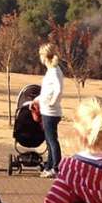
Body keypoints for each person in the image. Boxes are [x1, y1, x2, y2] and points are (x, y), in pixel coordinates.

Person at [35, 43, 64, 178]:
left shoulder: (54, 71)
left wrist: (52, 103)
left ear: (44, 56)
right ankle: (49, 165)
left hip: (51, 112)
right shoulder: (50, 70)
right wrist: (36, 100)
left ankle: (56, 167)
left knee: (52, 140)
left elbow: (58, 90)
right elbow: (46, 91)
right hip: (46, 110)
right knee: (49, 139)